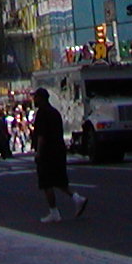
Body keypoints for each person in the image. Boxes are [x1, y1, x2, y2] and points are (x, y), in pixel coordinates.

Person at [30, 87, 87, 223]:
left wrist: (38, 152)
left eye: (36, 97)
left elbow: (41, 135)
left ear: (41, 98)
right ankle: (77, 198)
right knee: (58, 179)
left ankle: (54, 212)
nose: (34, 100)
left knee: (46, 183)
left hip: (47, 152)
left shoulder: (42, 113)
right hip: (59, 150)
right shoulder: (55, 112)